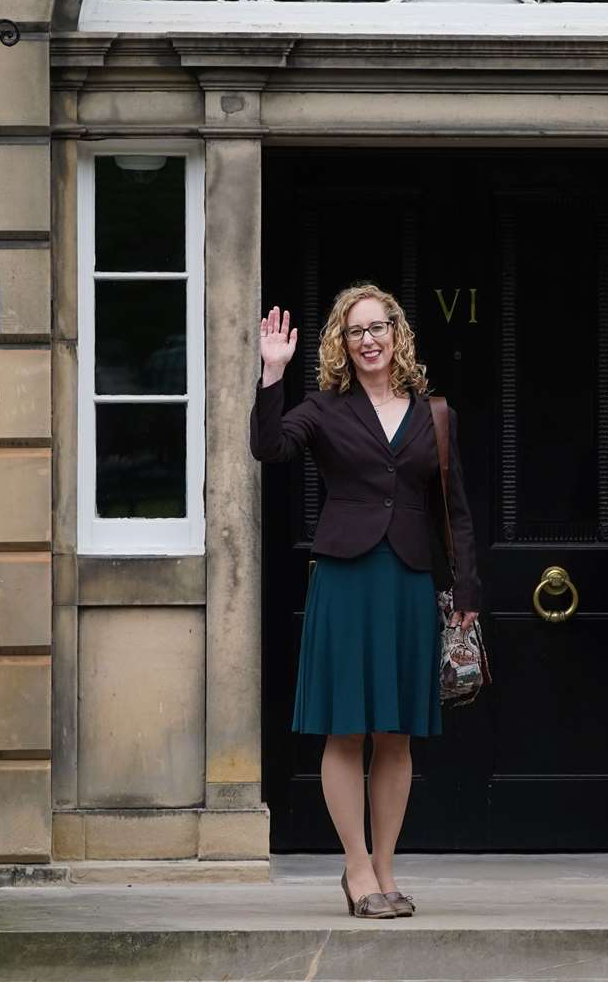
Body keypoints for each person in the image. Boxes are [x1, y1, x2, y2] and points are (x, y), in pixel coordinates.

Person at [250, 285, 480, 919]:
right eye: (356, 331)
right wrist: (271, 375)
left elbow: (454, 507)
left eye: (379, 327)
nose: (369, 339)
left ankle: (385, 867)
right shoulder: (323, 410)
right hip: (347, 579)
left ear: (397, 334)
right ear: (342, 344)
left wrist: (467, 589)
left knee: (397, 733)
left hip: (410, 579)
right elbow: (270, 449)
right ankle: (355, 868)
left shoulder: (435, 414)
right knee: (347, 727)